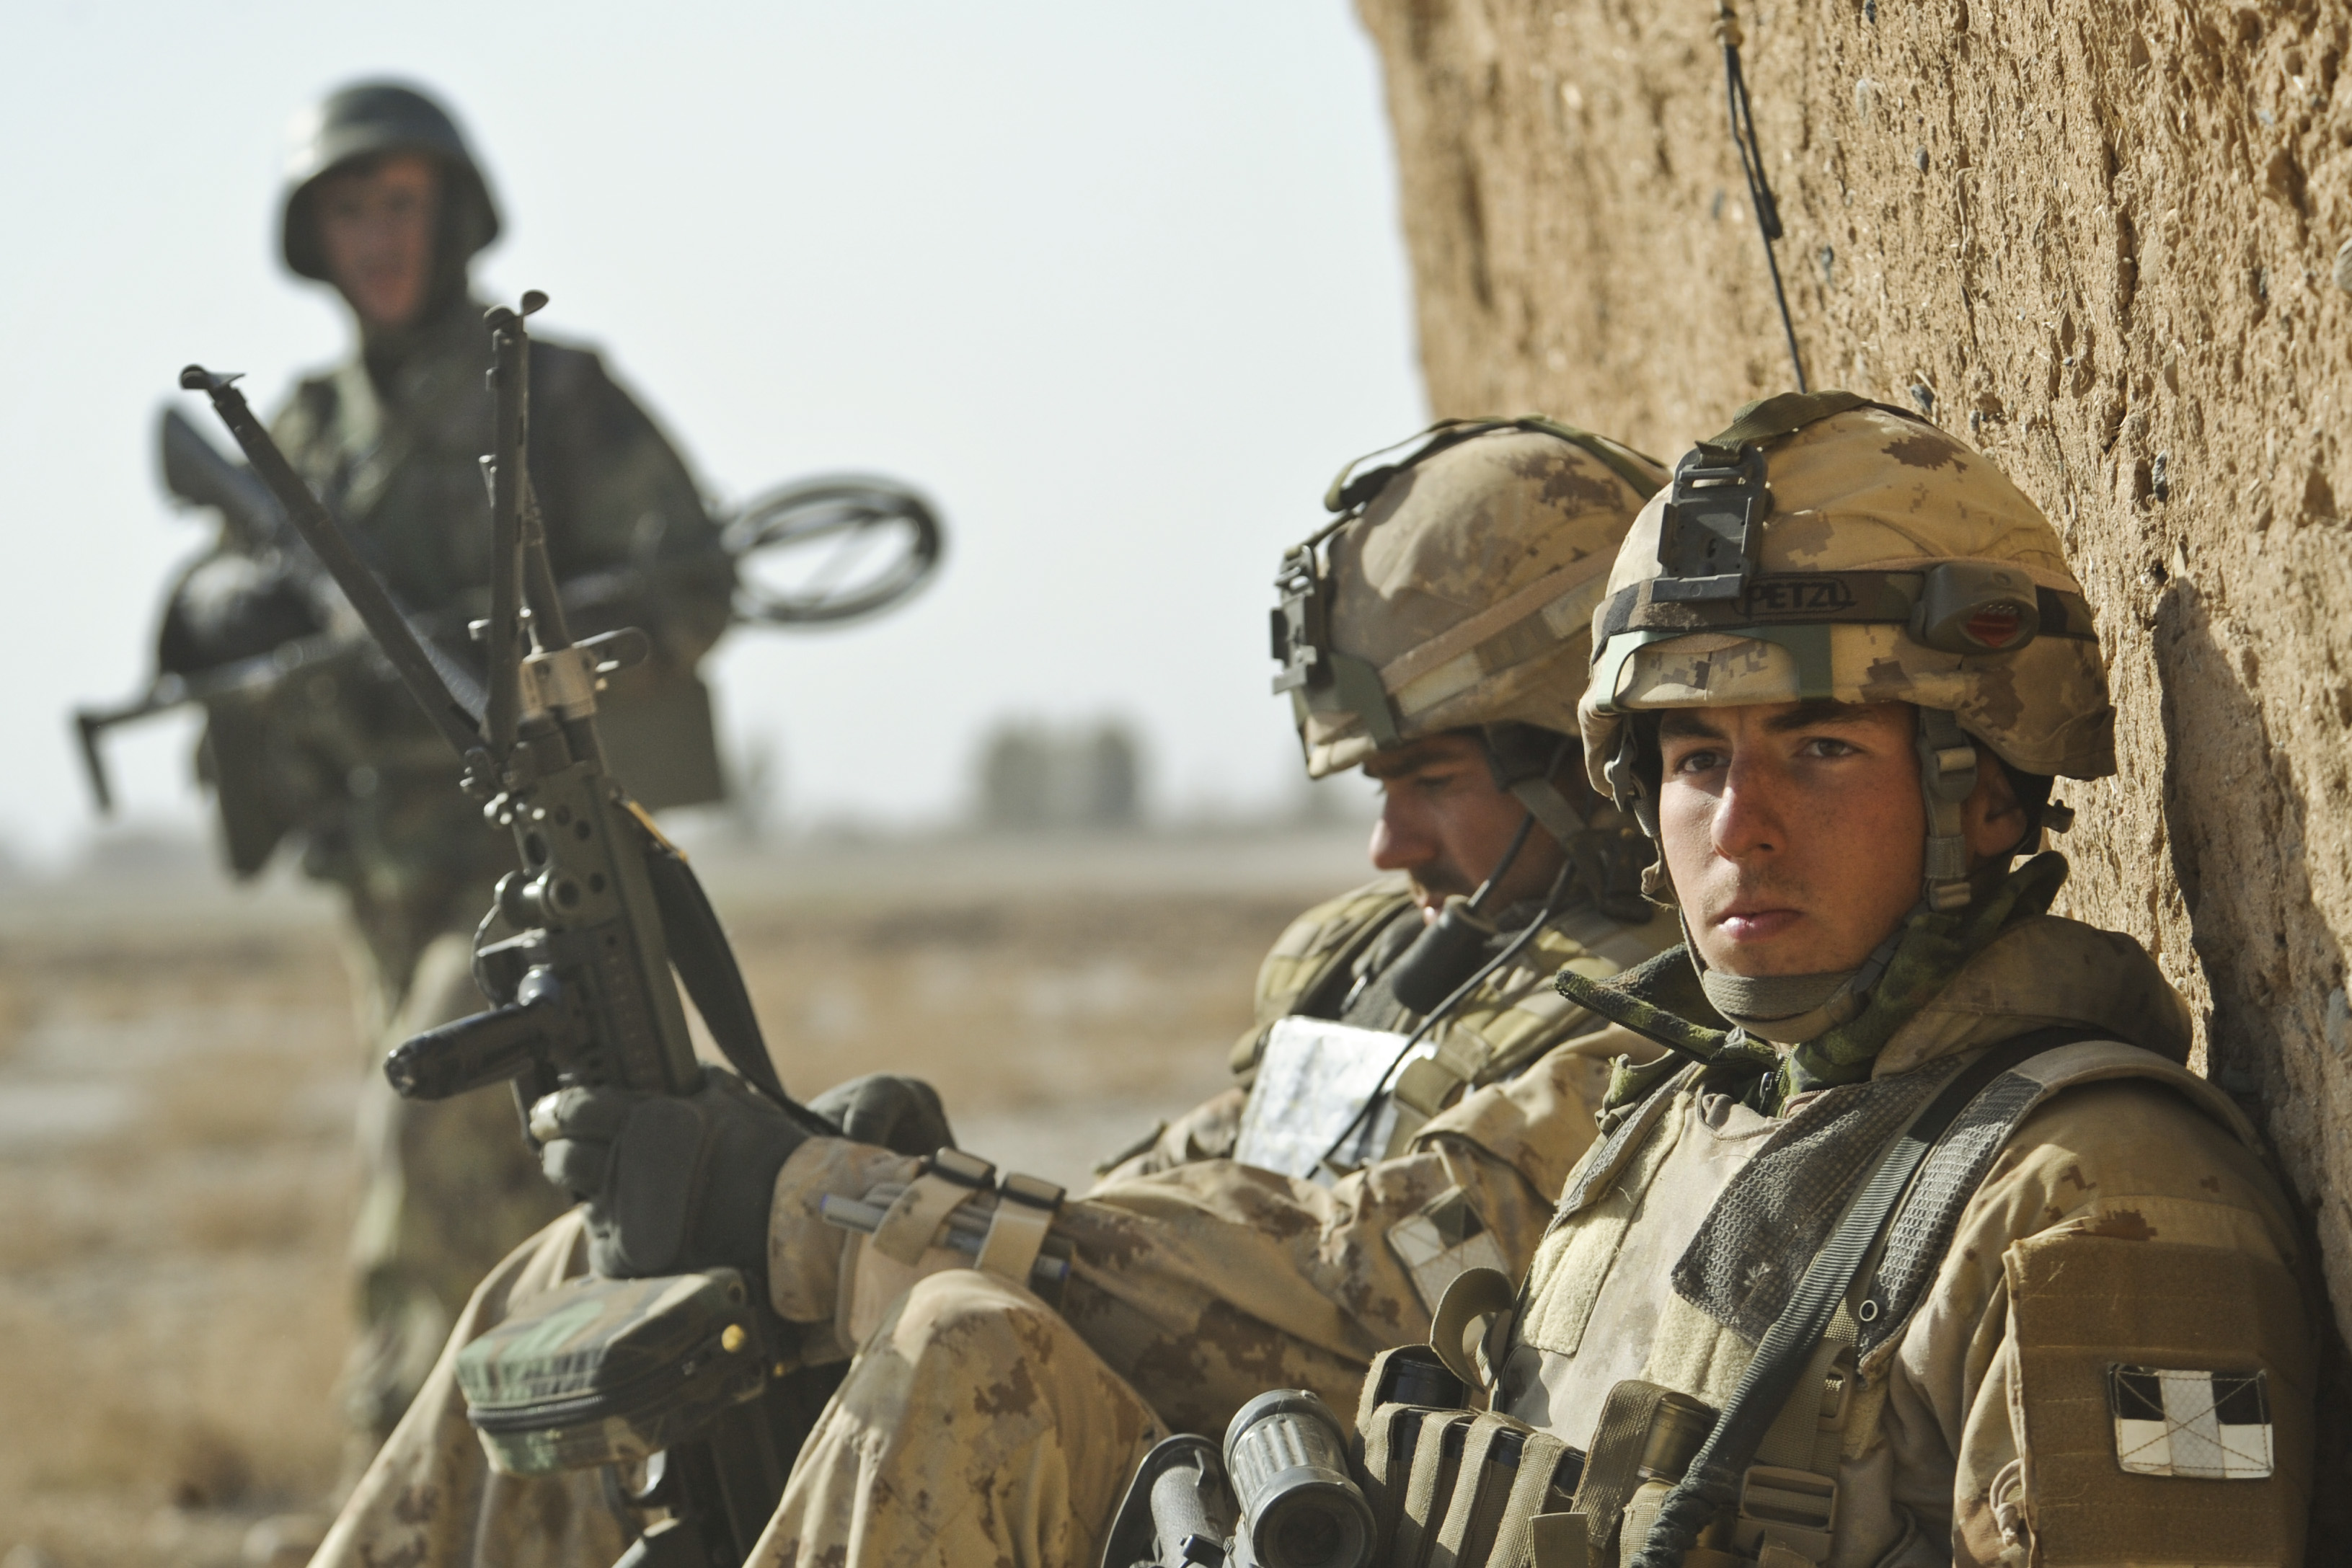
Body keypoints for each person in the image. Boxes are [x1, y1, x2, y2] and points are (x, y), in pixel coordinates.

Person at [311, 417, 1681, 1568]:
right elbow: (1190, 1196)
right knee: (603, 1270)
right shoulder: (1370, 958)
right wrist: (890, 1174)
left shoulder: (1653, 1026)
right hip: (1196, 1459)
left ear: (1577, 751)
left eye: (1429, 782)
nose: (1388, 849)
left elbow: (1350, 1287)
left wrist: (846, 1206)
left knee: (962, 1340)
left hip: (1340, 1507)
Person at [1343, 393, 2317, 1567]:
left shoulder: (2098, 1203)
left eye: (1821, 749)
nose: (1740, 827)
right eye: (1698, 758)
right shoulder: (1668, 1120)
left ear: (1987, 794)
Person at [156, 81, 738, 1451]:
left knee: (443, 1149)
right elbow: (213, 621)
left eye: (399, 202)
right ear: (315, 239)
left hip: (539, 864)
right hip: (383, 872)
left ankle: (460, 1458)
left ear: (456, 213)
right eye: (349, 209)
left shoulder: (551, 396)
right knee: (465, 1174)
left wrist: (547, 647)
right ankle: (457, 1466)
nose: (377, 235)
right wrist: (217, 611)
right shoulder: (301, 435)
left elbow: (692, 587)